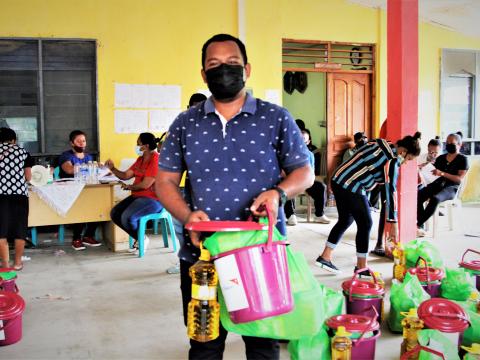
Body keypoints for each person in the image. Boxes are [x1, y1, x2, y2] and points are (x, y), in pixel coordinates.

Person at [155, 33, 313, 360]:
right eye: (214, 65)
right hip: (202, 256)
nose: (223, 70)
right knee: (204, 344)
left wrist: (278, 192)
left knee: (263, 344)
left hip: (262, 254)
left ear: (247, 69)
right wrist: (187, 217)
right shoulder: (185, 123)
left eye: (232, 63)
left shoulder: (276, 118)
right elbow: (164, 182)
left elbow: (304, 172)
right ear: (203, 74)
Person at [316, 132, 422, 274]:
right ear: (403, 152)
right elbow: (390, 190)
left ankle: (325, 256)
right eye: (408, 159)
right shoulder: (392, 161)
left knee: (345, 220)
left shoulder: (381, 142)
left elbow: (365, 162)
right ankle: (361, 267)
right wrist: (393, 222)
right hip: (352, 185)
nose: (406, 162)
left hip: (338, 179)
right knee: (366, 223)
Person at [166, 93, 207, 275]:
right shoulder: (183, 126)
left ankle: (203, 260)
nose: (196, 111)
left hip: (209, 191)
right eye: (193, 107)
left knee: (204, 230)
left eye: (201, 106)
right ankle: (184, 257)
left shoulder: (212, 128)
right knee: (180, 225)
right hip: (189, 188)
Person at [105, 133, 163, 253]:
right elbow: (126, 175)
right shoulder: (140, 159)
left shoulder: (156, 159)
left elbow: (145, 185)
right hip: (138, 196)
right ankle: (140, 238)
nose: (136, 146)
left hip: (154, 200)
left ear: (146, 146)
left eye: (138, 144)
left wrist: (129, 187)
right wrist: (113, 169)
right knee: (115, 214)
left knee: (128, 217)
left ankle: (141, 239)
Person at [416, 132, 468, 237]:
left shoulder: (463, 159)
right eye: (447, 142)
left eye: (451, 143)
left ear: (459, 145)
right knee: (417, 195)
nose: (448, 144)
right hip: (438, 184)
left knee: (435, 199)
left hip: (451, 187)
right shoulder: (441, 158)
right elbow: (433, 168)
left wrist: (442, 173)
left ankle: (417, 225)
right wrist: (422, 166)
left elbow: (458, 180)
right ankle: (420, 227)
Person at [58, 130, 101, 250]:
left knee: (99, 205)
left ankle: (88, 236)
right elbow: (69, 170)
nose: (82, 143)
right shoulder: (66, 156)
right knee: (81, 207)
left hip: (87, 190)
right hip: (70, 191)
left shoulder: (89, 157)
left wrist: (100, 168)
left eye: (84, 141)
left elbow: (94, 174)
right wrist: (88, 167)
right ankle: (76, 238)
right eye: (78, 141)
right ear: (72, 143)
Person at [0, 127, 33, 270]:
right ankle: (18, 262)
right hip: (19, 195)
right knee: (20, 229)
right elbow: (28, 177)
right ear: (13, 139)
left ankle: (5, 264)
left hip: (0, 195)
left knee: (1, 231)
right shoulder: (23, 152)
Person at [285, 129, 330, 225]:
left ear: (308, 142)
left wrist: (309, 180)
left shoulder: (310, 155)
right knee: (286, 186)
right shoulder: (288, 154)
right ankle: (290, 215)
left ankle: (319, 215)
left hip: (305, 181)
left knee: (320, 186)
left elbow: (311, 172)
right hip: (291, 180)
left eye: (304, 140)